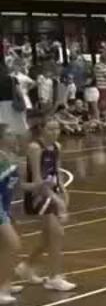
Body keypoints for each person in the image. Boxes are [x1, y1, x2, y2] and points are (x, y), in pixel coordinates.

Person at [16, 118, 74, 291]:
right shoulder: (35, 148)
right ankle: (54, 277)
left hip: (52, 193)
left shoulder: (56, 147)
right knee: (56, 234)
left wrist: (63, 192)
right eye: (51, 129)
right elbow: (37, 180)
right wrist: (58, 202)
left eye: (57, 129)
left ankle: (26, 266)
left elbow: (57, 172)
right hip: (38, 195)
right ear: (42, 129)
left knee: (49, 236)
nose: (55, 132)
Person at [0, 143, 24, 304]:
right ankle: (2, 288)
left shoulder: (10, 157)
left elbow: (12, 188)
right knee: (13, 244)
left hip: (5, 206)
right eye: (9, 133)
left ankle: (6, 281)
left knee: (4, 246)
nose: (14, 136)